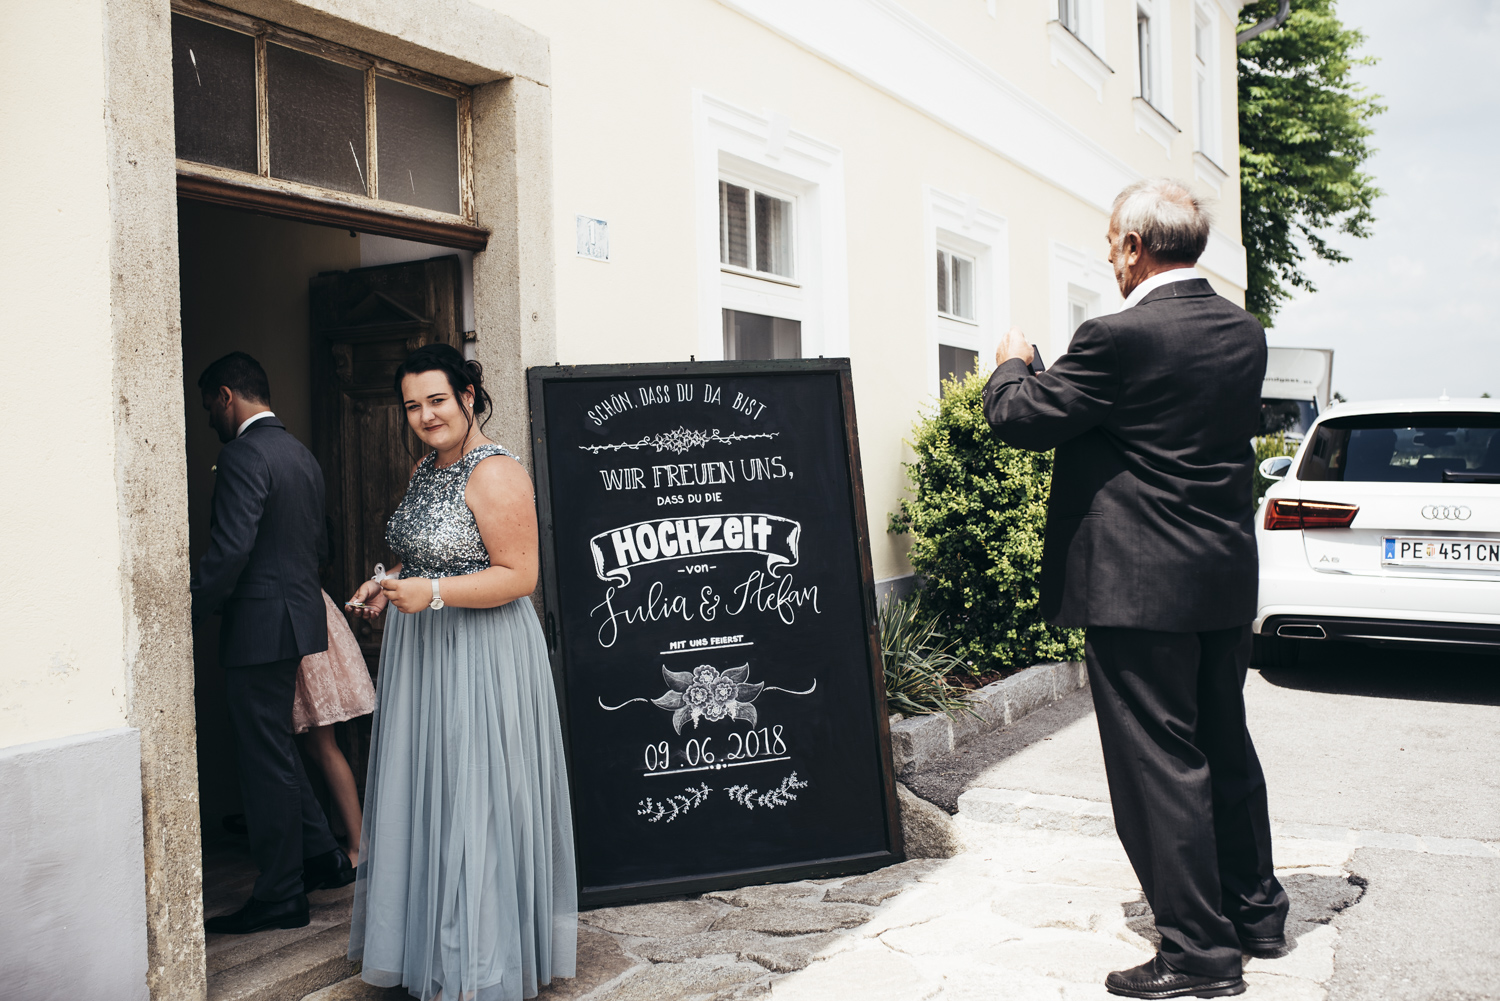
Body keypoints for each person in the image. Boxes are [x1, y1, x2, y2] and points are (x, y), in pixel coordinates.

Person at [982, 178, 1287, 999]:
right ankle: (1256, 911)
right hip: (1220, 579)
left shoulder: (1117, 336)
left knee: (1159, 767)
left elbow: (1021, 420)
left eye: (1113, 243)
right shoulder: (1242, 329)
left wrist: (1011, 365)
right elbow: (1154, 422)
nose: (1110, 258)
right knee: (1225, 744)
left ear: (1135, 246)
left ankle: (1197, 953)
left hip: (1140, 588)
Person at [345, 343, 576, 1001]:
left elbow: (520, 575)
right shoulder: (426, 467)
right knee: (436, 795)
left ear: (468, 395)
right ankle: (438, 947)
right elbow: (425, 552)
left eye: (437, 400)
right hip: (427, 653)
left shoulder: (498, 473)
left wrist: (436, 594)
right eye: (413, 405)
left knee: (477, 799)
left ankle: (483, 964)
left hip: (484, 655)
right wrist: (386, 582)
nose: (425, 414)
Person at [192, 352, 356, 936]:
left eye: (209, 403)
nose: (209, 416)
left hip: (259, 628)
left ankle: (282, 893)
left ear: (226, 396)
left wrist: (192, 609)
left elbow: (232, 549)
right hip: (294, 620)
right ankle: (322, 857)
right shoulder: (299, 454)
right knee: (278, 749)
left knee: (263, 760)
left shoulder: (241, 453)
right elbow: (316, 545)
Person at [293, 590, 377, 867]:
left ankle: (358, 844)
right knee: (318, 746)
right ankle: (354, 842)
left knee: (322, 745)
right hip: (308, 614)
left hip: (304, 619)